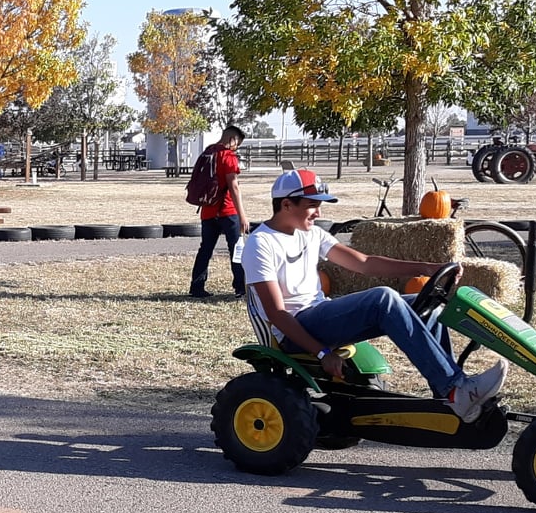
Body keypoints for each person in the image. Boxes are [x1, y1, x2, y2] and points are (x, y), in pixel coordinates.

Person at [244, 170, 508, 420]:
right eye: (312, 205)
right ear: (287, 204)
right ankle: (456, 388)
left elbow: (365, 263)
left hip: (319, 316)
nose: (318, 212)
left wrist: (426, 268)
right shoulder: (261, 244)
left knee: (427, 303)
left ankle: (449, 395)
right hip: (297, 330)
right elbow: (277, 314)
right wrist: (323, 354)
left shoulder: (311, 234)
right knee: (383, 299)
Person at [190, 126, 249, 298]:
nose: (236, 147)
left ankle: (197, 287)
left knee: (205, 249)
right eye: (237, 143)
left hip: (208, 209)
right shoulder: (228, 156)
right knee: (236, 248)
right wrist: (242, 215)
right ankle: (240, 288)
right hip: (227, 210)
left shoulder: (208, 152)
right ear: (232, 139)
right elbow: (234, 186)